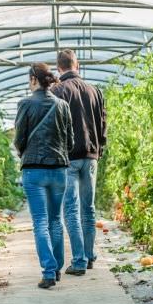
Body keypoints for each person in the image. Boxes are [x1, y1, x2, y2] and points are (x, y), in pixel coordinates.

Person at [14, 62, 74, 289]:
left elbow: (20, 138)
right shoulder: (62, 105)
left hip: (34, 169)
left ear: (33, 80)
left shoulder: (26, 104)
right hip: (59, 169)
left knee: (40, 221)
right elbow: (70, 142)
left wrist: (24, 152)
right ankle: (56, 268)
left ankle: (49, 271)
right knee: (55, 220)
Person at [51, 49, 107, 275]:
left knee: (71, 210)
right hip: (91, 156)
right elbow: (103, 125)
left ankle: (79, 261)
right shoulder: (95, 91)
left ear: (58, 68)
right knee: (89, 208)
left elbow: (54, 127)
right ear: (78, 65)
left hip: (70, 158)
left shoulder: (57, 91)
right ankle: (90, 255)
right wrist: (98, 150)